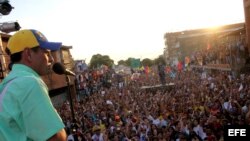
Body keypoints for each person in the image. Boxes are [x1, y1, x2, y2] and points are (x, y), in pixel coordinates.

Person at [0, 29, 67, 141]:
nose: (51, 58)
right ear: (28, 54)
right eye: (46, 52)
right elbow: (56, 138)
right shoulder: (29, 83)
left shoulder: (6, 85)